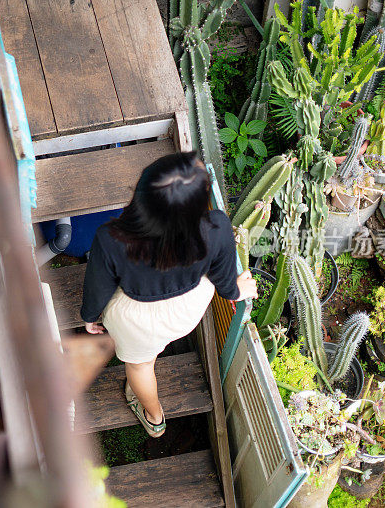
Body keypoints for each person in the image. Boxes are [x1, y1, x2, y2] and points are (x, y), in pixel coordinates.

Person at [80, 152, 257, 438]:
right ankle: (153, 411)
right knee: (154, 348)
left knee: (140, 366)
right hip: (188, 309)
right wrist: (237, 290)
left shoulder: (111, 238)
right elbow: (223, 280)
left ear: (142, 194)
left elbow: (98, 286)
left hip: (137, 319)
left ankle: (155, 417)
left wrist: (89, 316)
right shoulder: (216, 226)